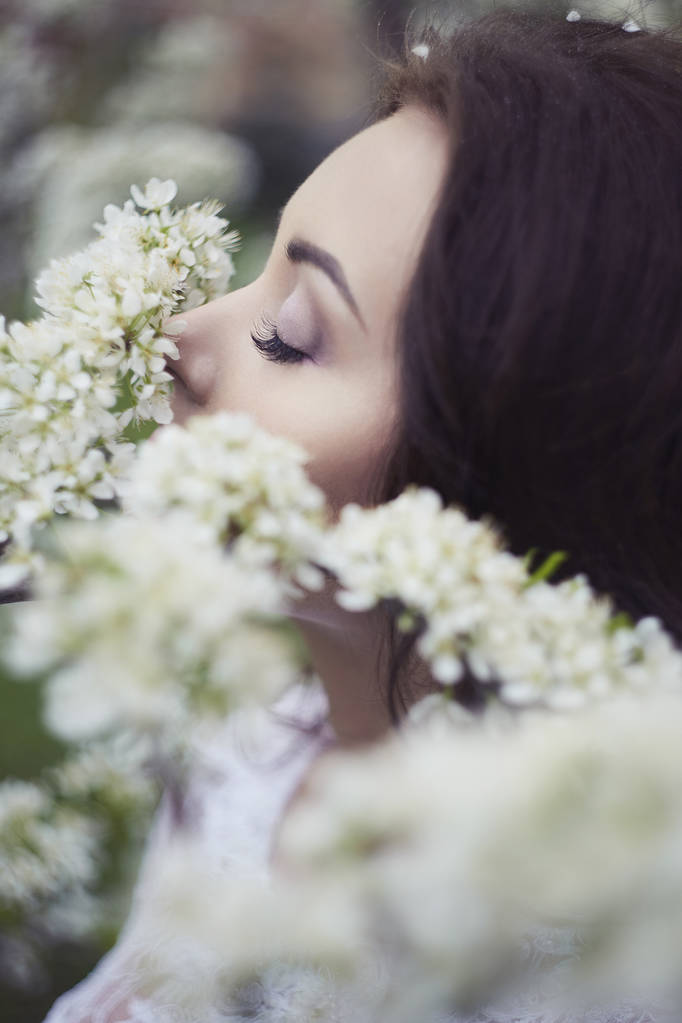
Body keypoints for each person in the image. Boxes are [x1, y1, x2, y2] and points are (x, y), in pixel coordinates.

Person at [44, 7, 682, 1022]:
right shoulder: (244, 739)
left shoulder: (564, 972)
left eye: (291, 336)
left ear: (519, 487)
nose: (172, 339)